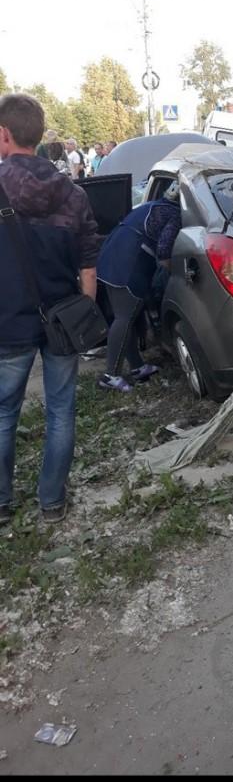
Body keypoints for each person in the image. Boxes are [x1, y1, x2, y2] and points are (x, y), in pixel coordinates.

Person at [0, 92, 100, 525]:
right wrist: (84, 314)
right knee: (61, 410)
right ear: (39, 135)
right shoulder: (73, 194)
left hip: (7, 321)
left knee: (4, 413)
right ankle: (52, 503)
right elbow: (88, 266)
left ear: (4, 136)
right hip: (62, 320)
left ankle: (2, 505)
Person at [96, 182, 183, 392]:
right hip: (128, 264)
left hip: (109, 256)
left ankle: (137, 367)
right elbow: (163, 251)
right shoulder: (175, 215)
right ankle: (110, 375)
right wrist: (173, 275)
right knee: (125, 318)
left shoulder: (152, 205)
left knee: (126, 318)